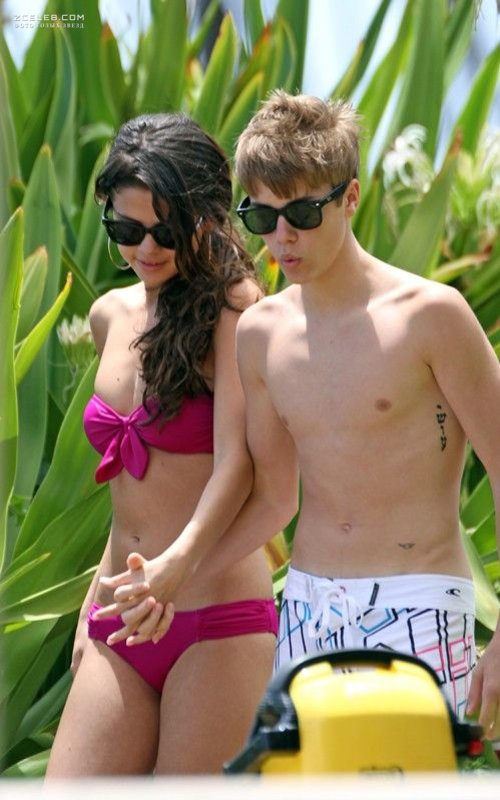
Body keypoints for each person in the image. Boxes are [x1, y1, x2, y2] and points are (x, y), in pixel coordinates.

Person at [100, 91, 500, 742]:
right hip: (309, 608)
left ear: (350, 197)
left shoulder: (432, 317)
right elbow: (273, 499)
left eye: (303, 214)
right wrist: (176, 580)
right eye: (262, 216)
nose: (282, 238)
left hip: (418, 601)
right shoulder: (261, 333)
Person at [45, 112, 279, 777]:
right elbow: (131, 492)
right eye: (126, 230)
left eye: (165, 232)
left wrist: (176, 567)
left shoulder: (237, 309)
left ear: (207, 218)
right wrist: (91, 604)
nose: (145, 249)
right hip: (121, 610)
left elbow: (236, 466)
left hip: (214, 616)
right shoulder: (110, 317)